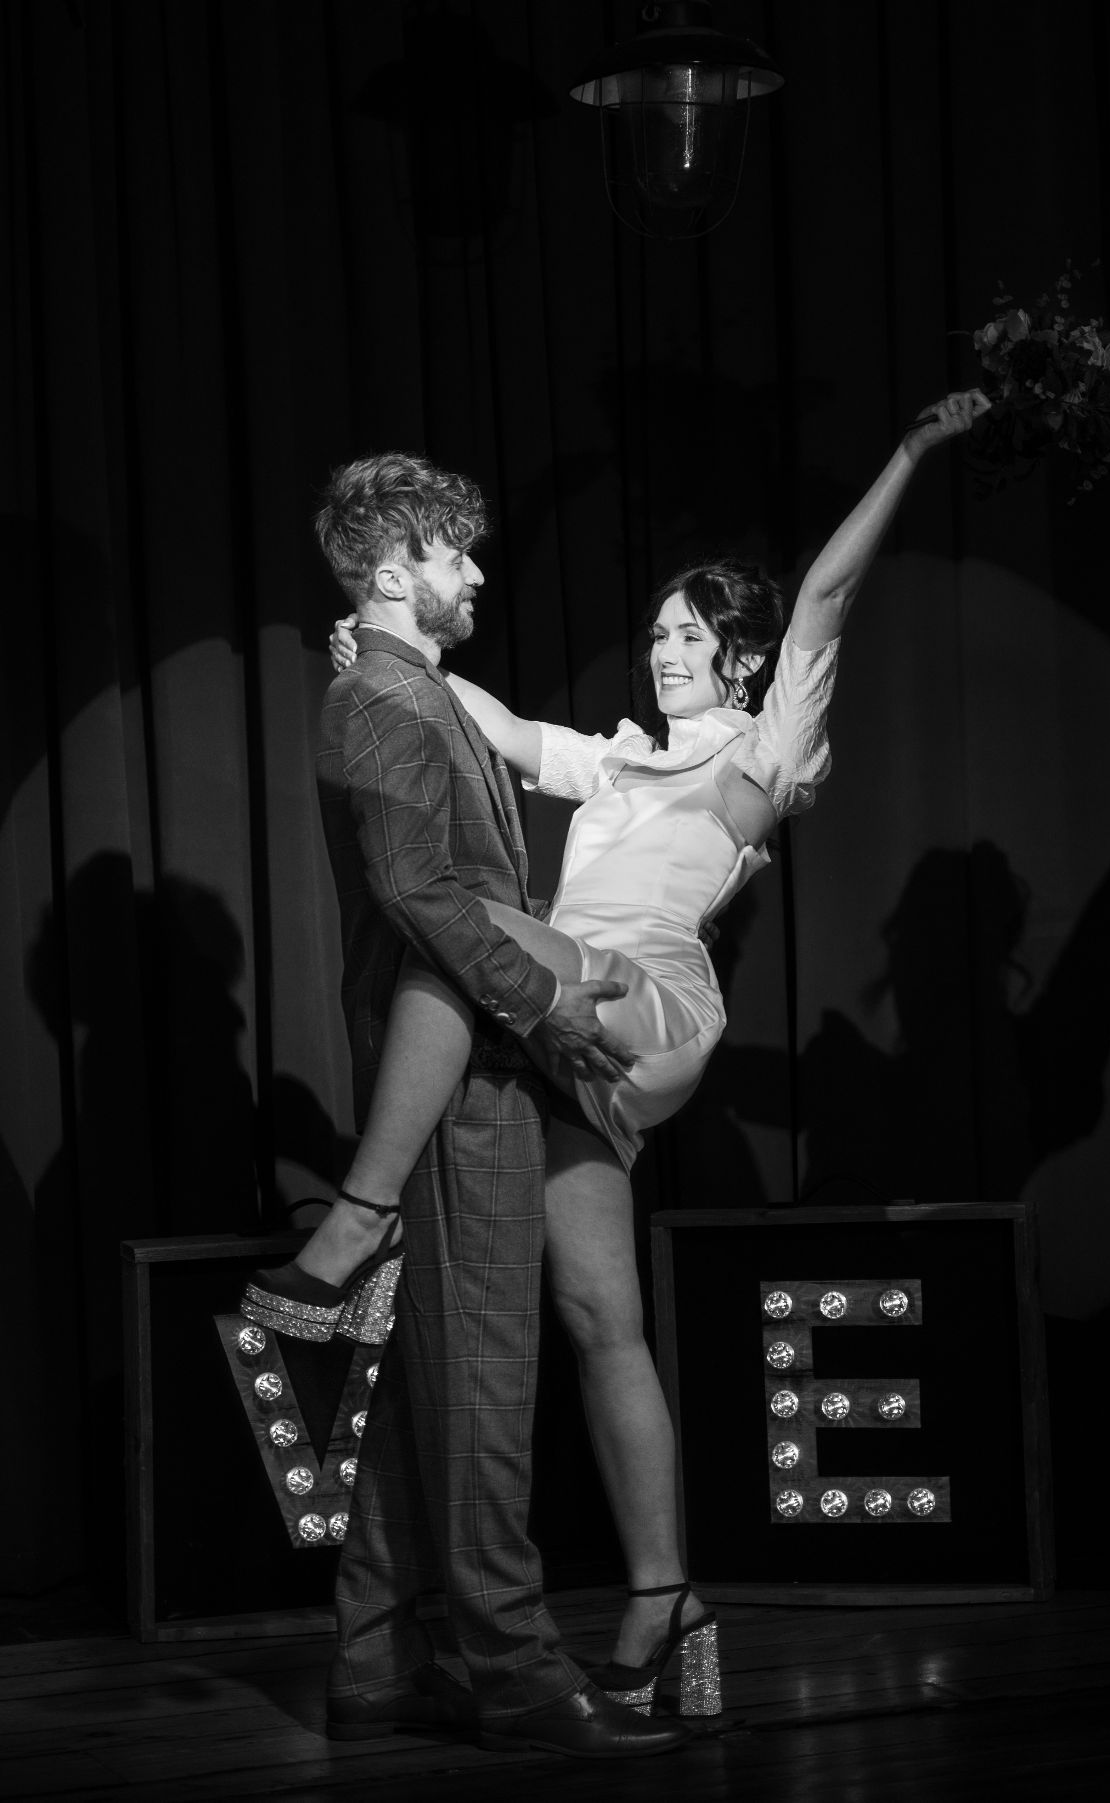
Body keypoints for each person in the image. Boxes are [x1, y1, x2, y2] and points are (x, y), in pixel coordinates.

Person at [255, 390, 989, 1724]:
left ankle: (359, 1208)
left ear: (745, 662)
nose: (665, 651)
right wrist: (376, 634)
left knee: (454, 919)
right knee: (603, 1320)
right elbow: (478, 722)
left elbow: (826, 596)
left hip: (646, 1003)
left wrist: (910, 451)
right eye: (655, 633)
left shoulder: (766, 750)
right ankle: (665, 1599)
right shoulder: (617, 763)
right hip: (565, 1031)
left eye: (691, 635)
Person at [244, 452, 691, 1759]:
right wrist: (544, 1000)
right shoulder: (384, 700)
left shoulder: (406, 688)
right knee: (486, 1367)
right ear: (396, 571)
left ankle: (377, 1655)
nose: (479, 573)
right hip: (455, 1069)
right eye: (457, 555)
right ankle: (514, 1668)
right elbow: (420, 896)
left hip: (469, 1054)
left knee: (430, 1368)